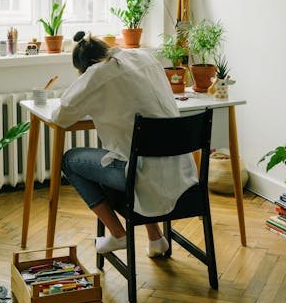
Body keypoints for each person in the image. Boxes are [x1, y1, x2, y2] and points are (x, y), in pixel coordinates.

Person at [51, 31, 198, 257]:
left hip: (140, 176)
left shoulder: (94, 75)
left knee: (72, 161)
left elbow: (61, 117)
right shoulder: (144, 57)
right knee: (131, 149)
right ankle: (156, 238)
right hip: (184, 173)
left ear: (84, 66)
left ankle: (118, 234)